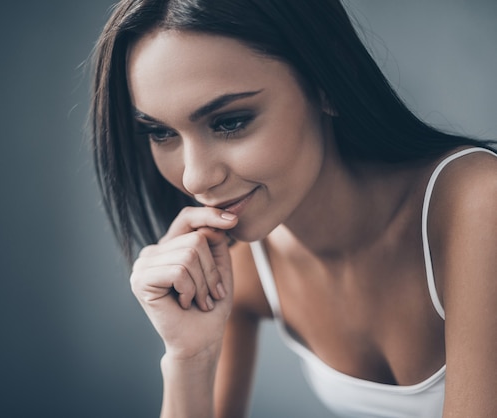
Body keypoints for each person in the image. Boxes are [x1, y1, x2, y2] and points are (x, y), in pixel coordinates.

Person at [90, 0, 497, 417]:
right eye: (160, 132)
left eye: (230, 121)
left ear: (328, 83)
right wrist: (188, 359)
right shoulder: (237, 264)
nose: (195, 179)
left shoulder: (477, 204)